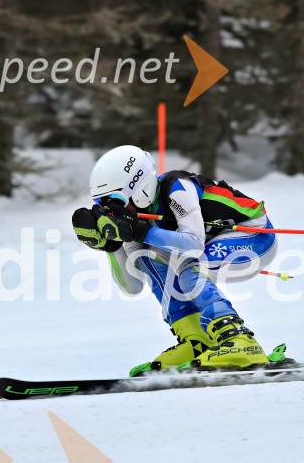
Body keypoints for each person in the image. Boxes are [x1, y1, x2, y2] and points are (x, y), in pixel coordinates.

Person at [71, 145, 278, 373]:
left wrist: (140, 231)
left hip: (254, 235)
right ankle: (197, 341)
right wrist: (111, 246)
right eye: (102, 204)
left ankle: (240, 340)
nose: (109, 211)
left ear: (140, 189)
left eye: (113, 202)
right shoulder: (132, 217)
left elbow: (193, 244)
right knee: (147, 259)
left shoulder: (177, 187)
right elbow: (132, 286)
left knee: (192, 267)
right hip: (212, 243)